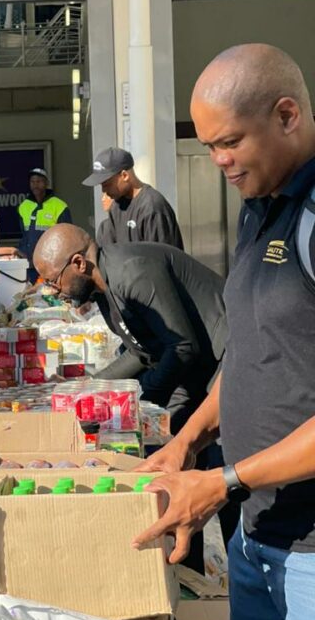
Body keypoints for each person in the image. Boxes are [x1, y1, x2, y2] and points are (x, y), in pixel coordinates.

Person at [131, 44, 315, 620]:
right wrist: (186, 441)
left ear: (287, 115)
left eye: (229, 142)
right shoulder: (258, 207)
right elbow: (253, 354)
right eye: (208, 146)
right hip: (256, 536)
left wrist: (223, 481)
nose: (219, 161)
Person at [33, 224, 238, 573]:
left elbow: (182, 347)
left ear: (79, 263)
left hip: (228, 361)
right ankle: (186, 574)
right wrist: (91, 386)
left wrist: (142, 402)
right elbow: (143, 354)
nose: (55, 292)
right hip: (197, 367)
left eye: (54, 281)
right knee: (172, 454)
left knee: (225, 467)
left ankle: (244, 571)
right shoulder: (104, 292)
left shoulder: (132, 271)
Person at [83, 147, 184, 250]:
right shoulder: (116, 207)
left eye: (107, 184)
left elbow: (160, 259)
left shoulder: (152, 208)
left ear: (124, 176)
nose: (104, 190)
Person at [18, 167, 72, 282]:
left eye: (39, 181)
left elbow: (67, 238)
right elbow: (24, 234)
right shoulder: (23, 206)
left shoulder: (59, 206)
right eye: (32, 182)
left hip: (51, 264)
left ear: (46, 183)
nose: (35, 185)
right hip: (28, 264)